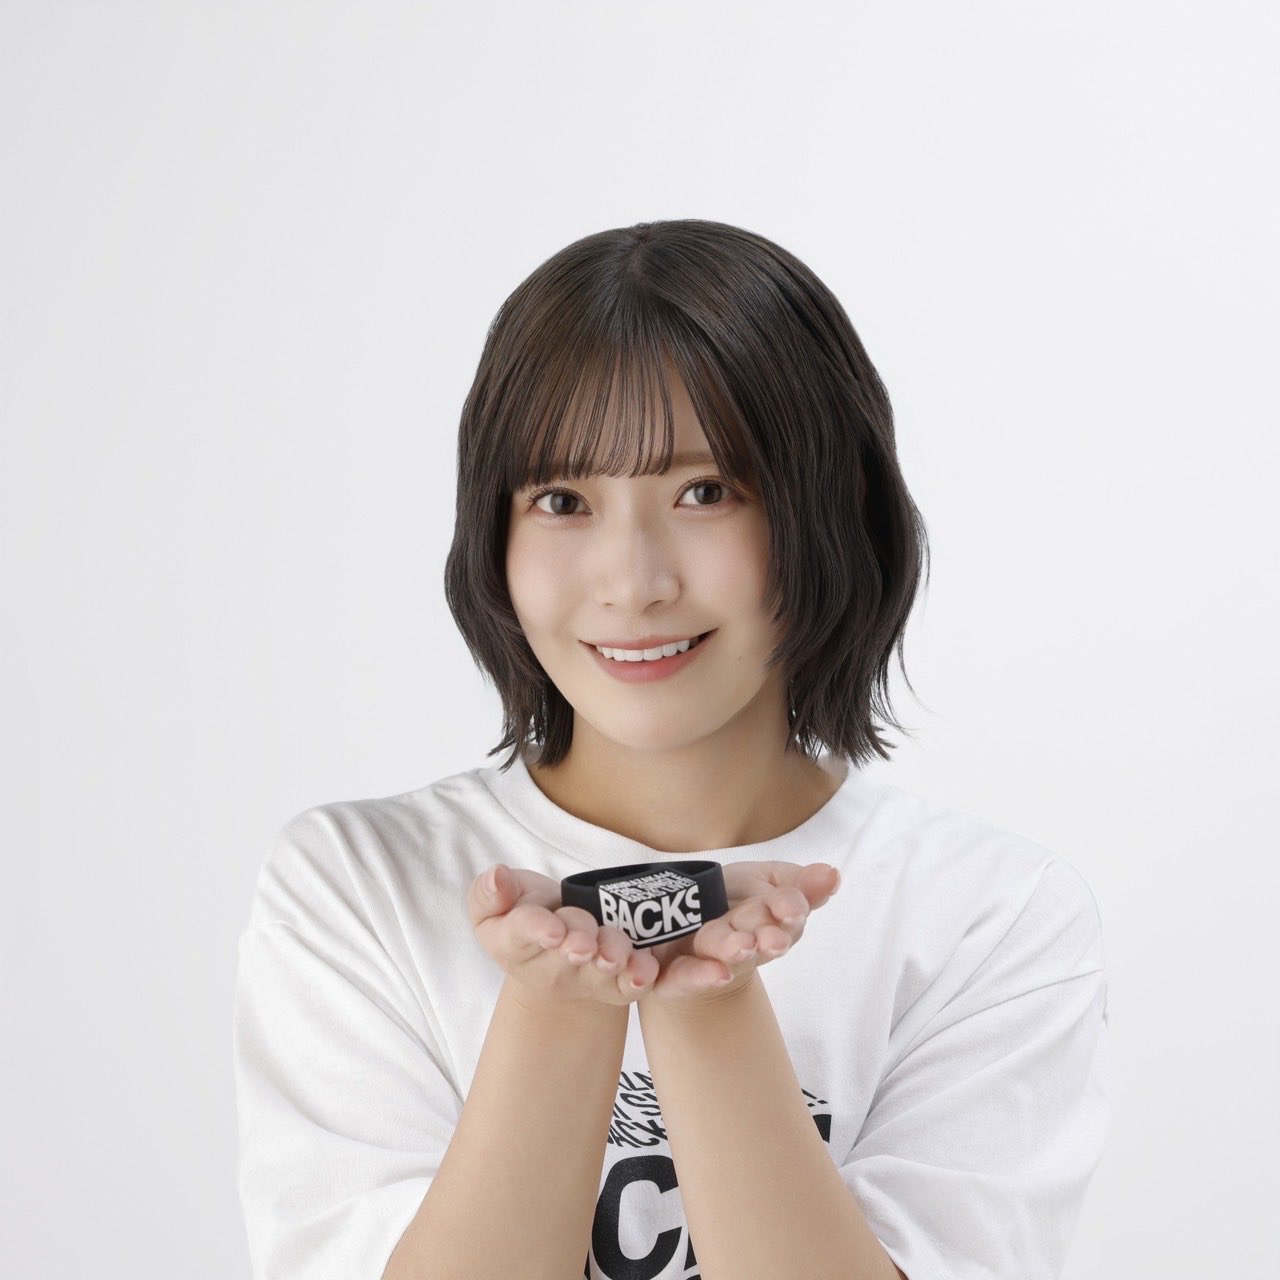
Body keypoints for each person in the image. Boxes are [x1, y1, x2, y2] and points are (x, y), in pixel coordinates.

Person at [233, 219, 1110, 1280]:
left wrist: (707, 1005)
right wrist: (556, 1006)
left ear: (831, 507)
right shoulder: (358, 885)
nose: (632, 581)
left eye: (705, 491)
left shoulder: (987, 914)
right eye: (561, 500)